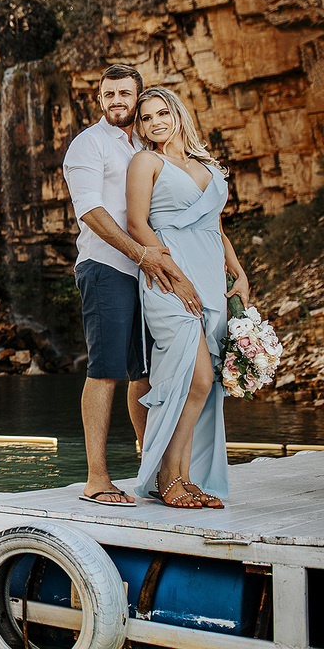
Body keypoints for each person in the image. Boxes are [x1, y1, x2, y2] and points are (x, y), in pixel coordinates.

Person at [62, 65, 200, 507]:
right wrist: (141, 254)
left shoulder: (144, 143)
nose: (116, 100)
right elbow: (90, 211)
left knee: (143, 373)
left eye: (125, 93)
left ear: (137, 97)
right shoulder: (89, 144)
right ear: (100, 99)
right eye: (109, 94)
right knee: (105, 370)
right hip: (107, 268)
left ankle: (156, 473)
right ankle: (97, 479)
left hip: (147, 272)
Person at [126, 86, 249, 508]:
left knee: (205, 383)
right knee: (189, 376)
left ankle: (184, 476)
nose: (155, 123)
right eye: (146, 118)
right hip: (167, 277)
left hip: (210, 277)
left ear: (177, 114)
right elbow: (137, 225)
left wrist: (238, 272)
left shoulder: (207, 166)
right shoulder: (146, 161)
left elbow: (216, 228)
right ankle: (165, 476)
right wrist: (176, 277)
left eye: (162, 113)